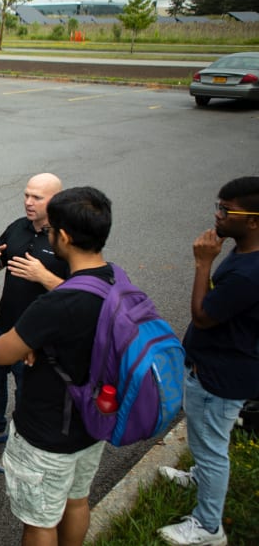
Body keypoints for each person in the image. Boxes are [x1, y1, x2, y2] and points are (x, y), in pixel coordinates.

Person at [0, 186, 113, 546]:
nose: (49, 234)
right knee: (76, 501)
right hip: (92, 423)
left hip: (48, 432)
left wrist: (31, 342)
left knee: (39, 522)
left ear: (66, 237)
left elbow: (0, 353)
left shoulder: (58, 303)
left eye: (53, 229)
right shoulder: (115, 280)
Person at [156, 176, 259, 546]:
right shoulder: (245, 253)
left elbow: (202, 316)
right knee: (205, 440)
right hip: (216, 368)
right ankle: (200, 475)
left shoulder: (249, 274)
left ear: (253, 221)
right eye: (219, 206)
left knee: (213, 449)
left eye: (227, 210)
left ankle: (208, 527)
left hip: (220, 377)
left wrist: (202, 263)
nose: (218, 215)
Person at [0, 173, 68, 452]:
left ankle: (19, 447)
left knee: (27, 392)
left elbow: (82, 292)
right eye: (26, 195)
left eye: (37, 197)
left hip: (36, 337)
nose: (28, 202)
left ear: (55, 200)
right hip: (2, 324)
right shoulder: (19, 226)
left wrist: (43, 276)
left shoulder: (66, 239)